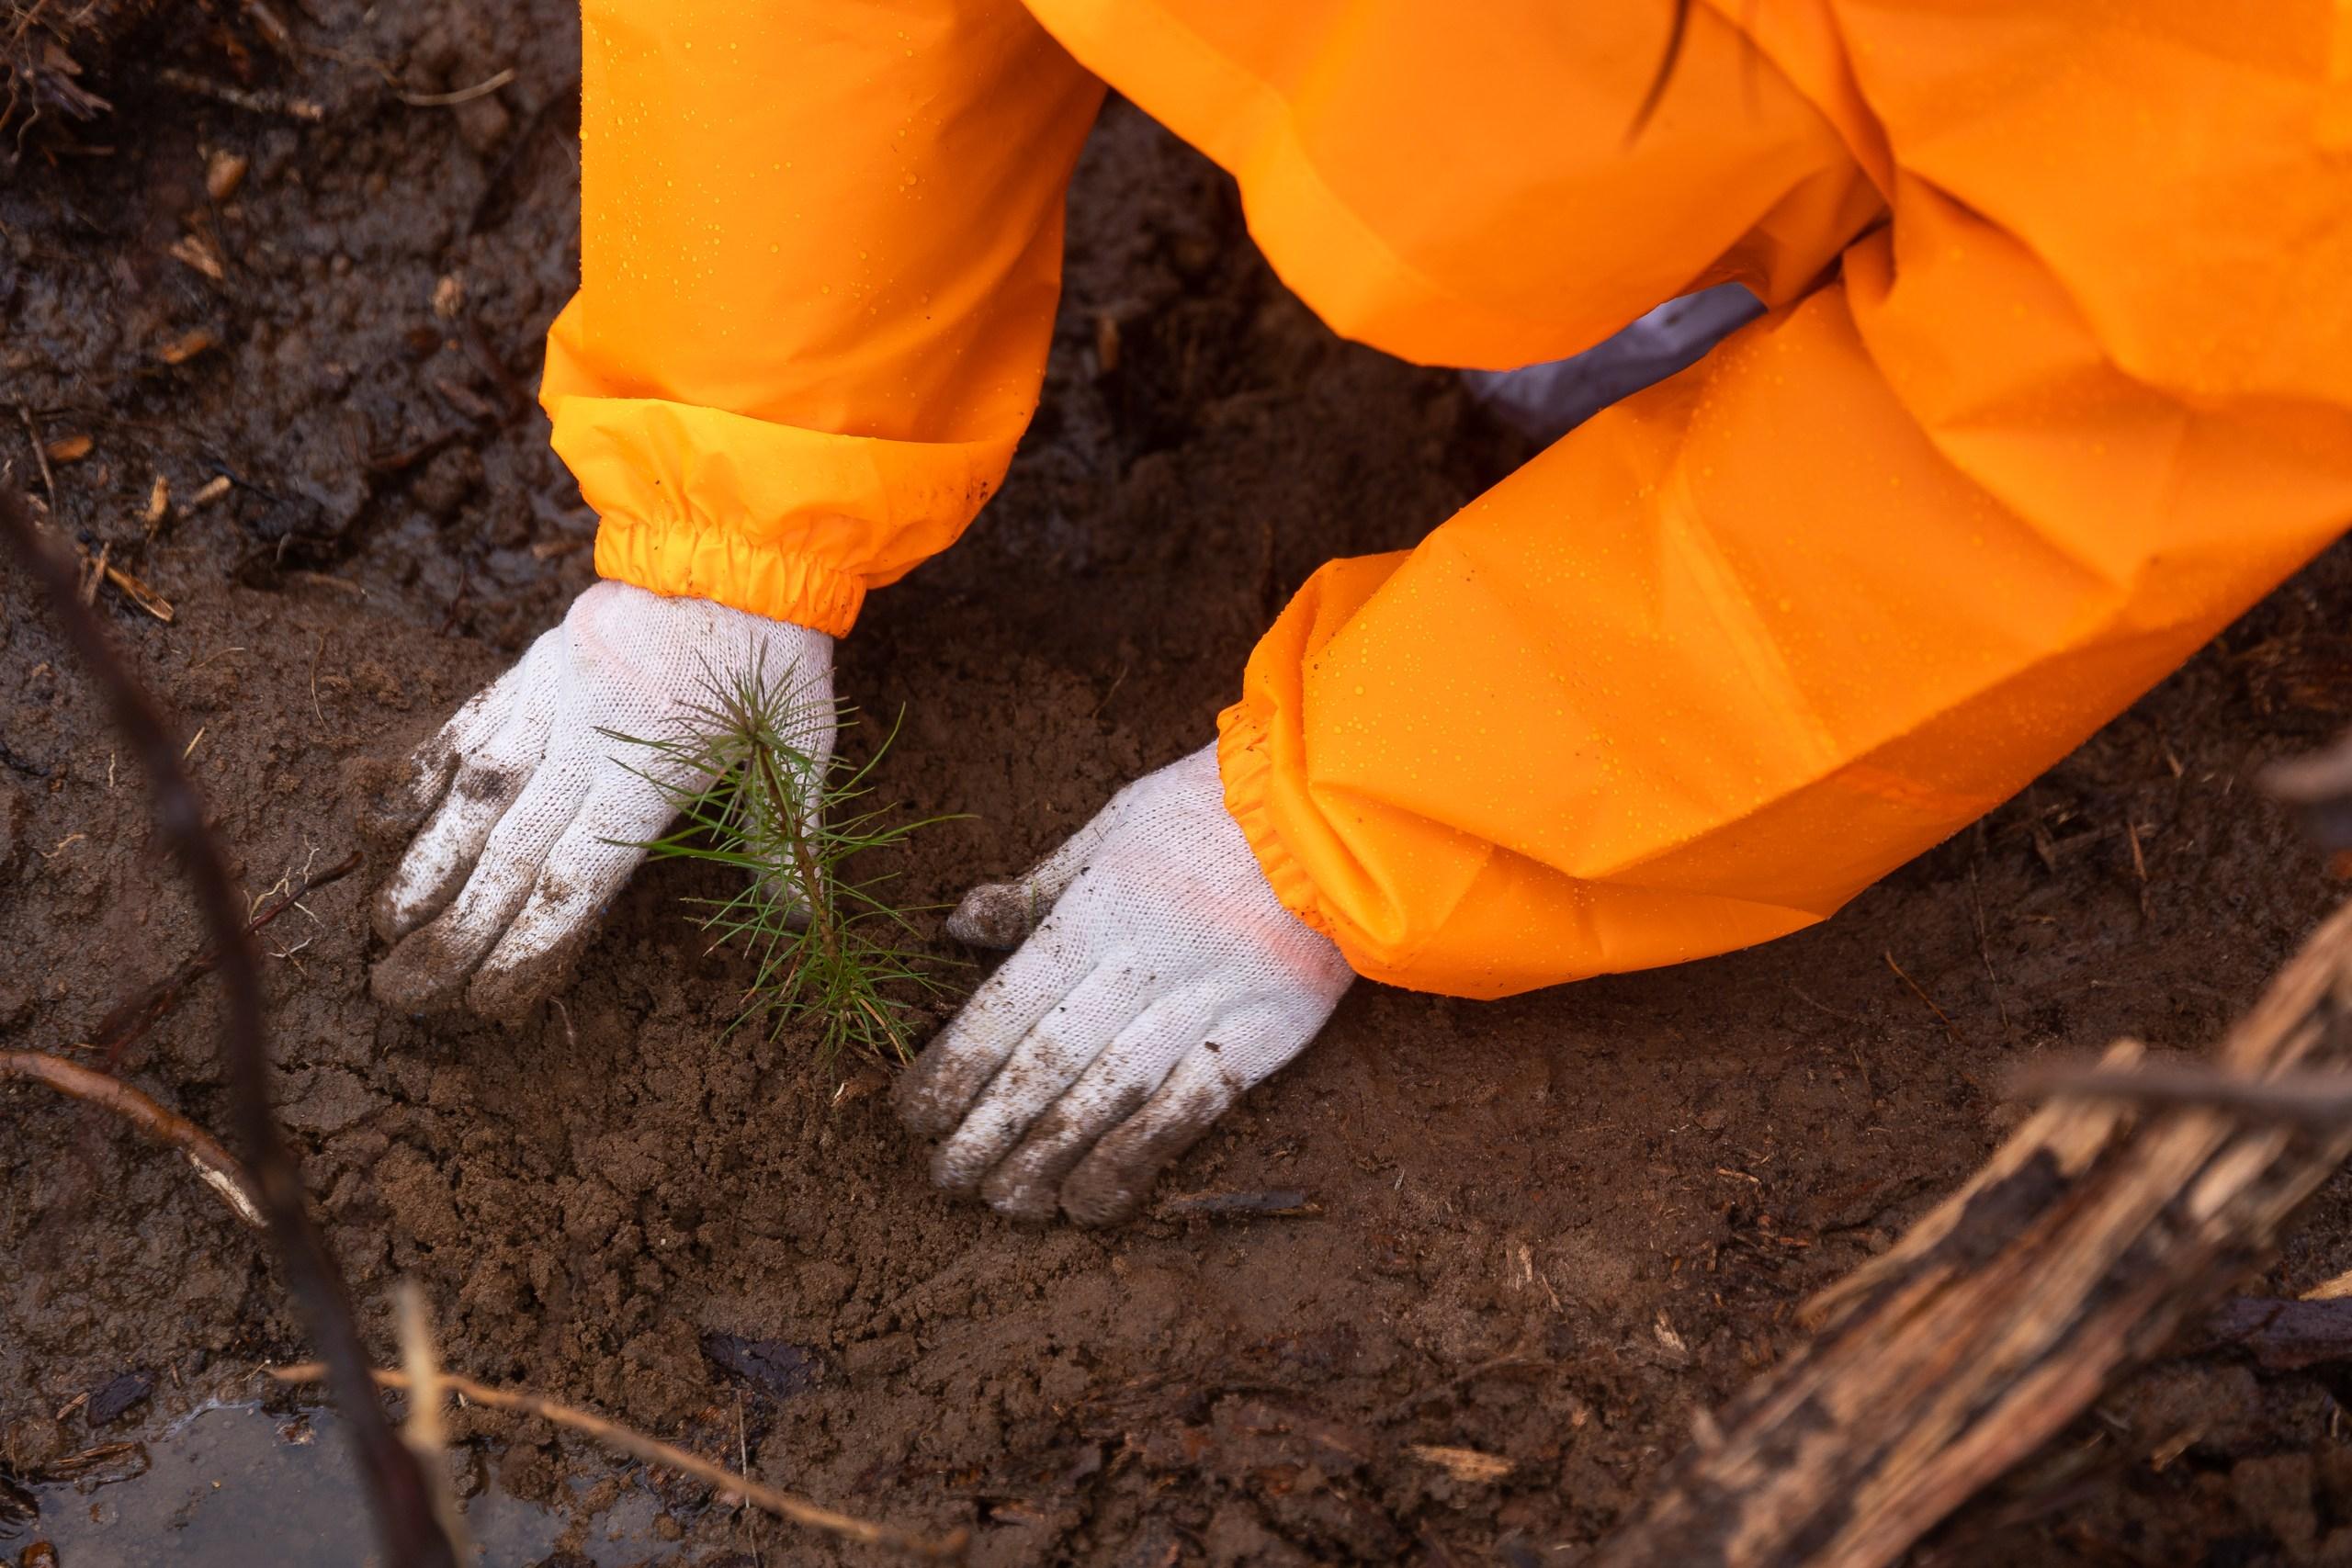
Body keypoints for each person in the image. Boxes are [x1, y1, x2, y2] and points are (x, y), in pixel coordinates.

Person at [366, 0, 2352, 1225]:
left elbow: (2110, 407)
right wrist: (735, 486)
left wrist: (1380, 812)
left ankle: (1750, 250)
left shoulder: (2252, 83)